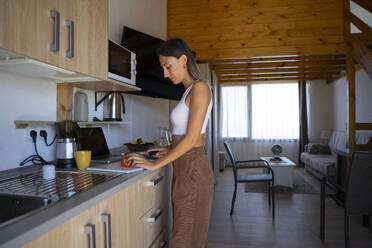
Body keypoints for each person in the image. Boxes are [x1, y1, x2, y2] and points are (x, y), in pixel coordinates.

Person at [127, 38, 214, 248]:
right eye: (163, 68)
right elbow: (189, 137)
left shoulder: (200, 88)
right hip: (185, 167)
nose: (165, 73)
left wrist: (155, 164)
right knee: (187, 236)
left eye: (168, 66)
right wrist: (168, 149)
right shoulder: (188, 90)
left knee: (185, 238)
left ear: (183, 60)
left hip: (193, 169)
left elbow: (194, 139)